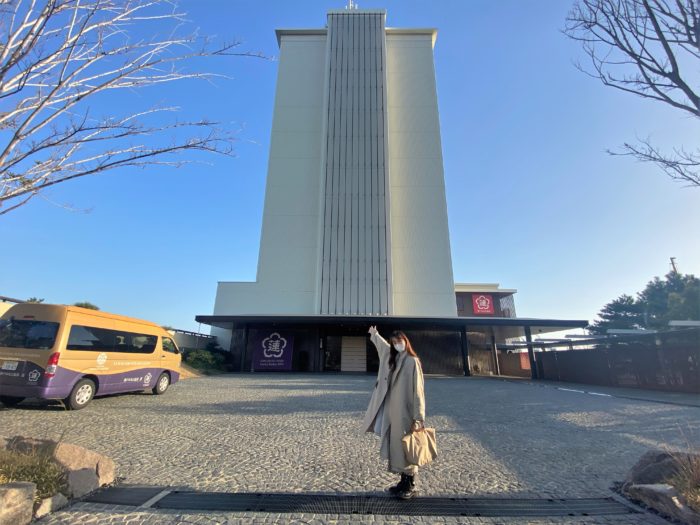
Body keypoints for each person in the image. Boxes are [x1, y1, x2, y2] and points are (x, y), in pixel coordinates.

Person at [362, 326, 426, 499]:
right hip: (393, 411)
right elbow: (383, 348)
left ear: (406, 342)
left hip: (406, 411)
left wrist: (418, 418)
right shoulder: (393, 358)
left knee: (408, 446)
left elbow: (418, 391)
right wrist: (375, 335)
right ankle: (403, 481)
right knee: (397, 445)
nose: (398, 345)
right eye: (395, 343)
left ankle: (411, 483)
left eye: (400, 342)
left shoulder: (412, 361)